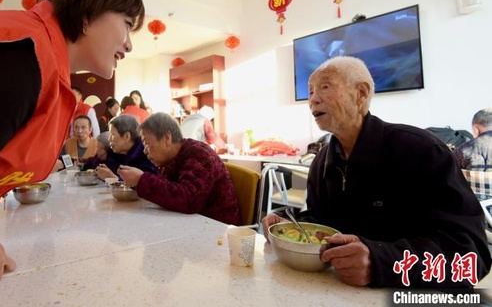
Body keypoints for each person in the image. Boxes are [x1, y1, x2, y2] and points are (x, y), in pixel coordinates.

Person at [0, 0, 145, 306]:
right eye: (128, 24)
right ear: (88, 14)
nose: (129, 44)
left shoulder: (44, 64)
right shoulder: (17, 60)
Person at [262, 56, 491, 290]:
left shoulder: (420, 150)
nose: (313, 99)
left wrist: (380, 262)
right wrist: (292, 227)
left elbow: (472, 256)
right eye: (310, 91)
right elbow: (323, 222)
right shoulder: (322, 161)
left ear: (361, 93)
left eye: (325, 87)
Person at [117, 112, 241, 225]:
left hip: (218, 229)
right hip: (190, 224)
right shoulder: (169, 160)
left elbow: (189, 200)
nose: (145, 151)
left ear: (167, 138)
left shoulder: (198, 154)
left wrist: (141, 180)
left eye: (148, 144)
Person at [95, 114, 157, 180]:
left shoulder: (145, 154)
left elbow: (145, 183)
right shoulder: (116, 152)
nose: (109, 139)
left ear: (126, 137)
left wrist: (113, 178)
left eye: (113, 134)